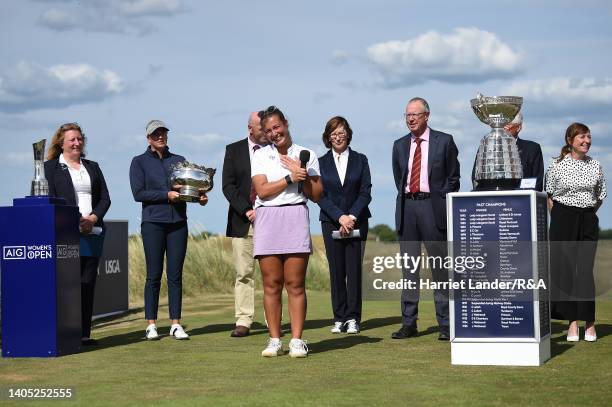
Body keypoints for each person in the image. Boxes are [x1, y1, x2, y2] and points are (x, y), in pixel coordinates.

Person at [251, 106, 323, 357]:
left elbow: (316, 195)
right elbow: (262, 191)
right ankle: (274, 339)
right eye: (268, 130)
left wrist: (302, 176)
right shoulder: (260, 155)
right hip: (268, 218)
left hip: (295, 215)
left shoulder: (307, 154)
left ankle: (296, 341)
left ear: (286, 123)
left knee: (295, 284)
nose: (273, 133)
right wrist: (290, 178)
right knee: (271, 284)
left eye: (276, 127)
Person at [129, 120, 208, 341]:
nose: (160, 137)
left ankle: (175, 324)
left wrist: (198, 197)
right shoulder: (139, 162)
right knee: (153, 275)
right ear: (148, 138)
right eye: (156, 134)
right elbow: (139, 193)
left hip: (178, 224)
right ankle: (151, 325)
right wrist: (166, 195)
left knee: (175, 276)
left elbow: (186, 190)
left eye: (163, 133)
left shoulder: (179, 161)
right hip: (153, 223)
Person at [391, 97, 460, 341]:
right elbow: (399, 177)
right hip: (408, 208)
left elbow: (454, 179)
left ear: (426, 116)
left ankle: (446, 325)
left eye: (415, 115)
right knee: (410, 270)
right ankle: (409, 324)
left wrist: (441, 202)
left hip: (434, 209)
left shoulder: (445, 141)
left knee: (440, 270)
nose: (410, 119)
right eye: (407, 115)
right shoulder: (399, 145)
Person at [44, 122, 111, 346]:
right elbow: (48, 201)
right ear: (61, 143)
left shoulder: (92, 166)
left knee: (86, 284)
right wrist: (75, 220)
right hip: (64, 234)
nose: (76, 142)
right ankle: (63, 333)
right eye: (72, 139)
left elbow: (105, 199)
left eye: (79, 139)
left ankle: (83, 334)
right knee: (66, 285)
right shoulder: (50, 168)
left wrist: (92, 219)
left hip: (92, 232)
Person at [545, 122, 606, 342]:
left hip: (587, 218)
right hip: (563, 218)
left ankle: (589, 324)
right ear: (570, 141)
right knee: (566, 272)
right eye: (582, 137)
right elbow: (549, 195)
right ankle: (572, 324)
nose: (587, 141)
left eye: (589, 137)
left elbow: (600, 195)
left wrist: (585, 214)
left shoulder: (596, 165)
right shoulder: (556, 165)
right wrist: (562, 217)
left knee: (585, 271)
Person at [317, 116, 371, 334]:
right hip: (331, 222)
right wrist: (340, 217)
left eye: (341, 133)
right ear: (328, 138)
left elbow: (365, 192)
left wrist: (351, 217)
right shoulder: (319, 162)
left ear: (348, 134)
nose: (338, 137)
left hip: (357, 221)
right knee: (337, 271)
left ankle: (353, 319)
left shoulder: (361, 159)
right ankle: (339, 318)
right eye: (333, 134)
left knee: (354, 271)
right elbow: (319, 195)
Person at [222, 112, 269, 337]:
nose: (267, 131)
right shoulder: (233, 150)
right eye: (262, 127)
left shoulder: (274, 149)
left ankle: (274, 319)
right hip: (243, 221)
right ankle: (243, 320)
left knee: (272, 274)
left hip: (271, 221)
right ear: (250, 128)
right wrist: (248, 210)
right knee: (243, 273)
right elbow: (228, 186)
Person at [471, 112, 544, 191]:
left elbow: (537, 182)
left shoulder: (532, 149)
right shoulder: (487, 146)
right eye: (501, 125)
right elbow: (476, 176)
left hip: (521, 199)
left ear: (518, 128)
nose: (502, 129)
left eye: (506, 125)